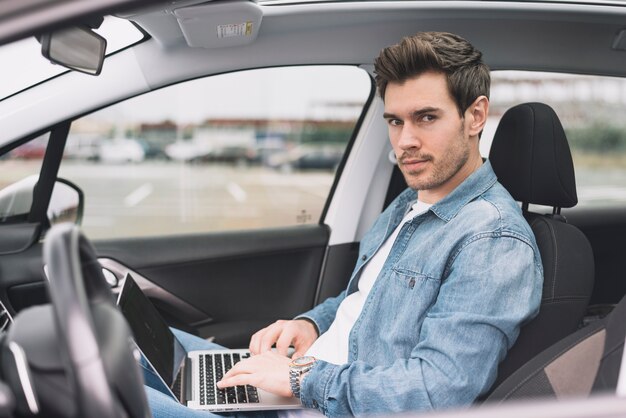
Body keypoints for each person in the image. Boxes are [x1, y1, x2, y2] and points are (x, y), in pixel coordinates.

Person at [145, 31, 543, 418]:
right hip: (300, 391)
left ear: (475, 116)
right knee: (134, 345)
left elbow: (435, 391)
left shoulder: (493, 240)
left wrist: (299, 378)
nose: (404, 141)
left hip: (314, 398)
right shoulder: (410, 202)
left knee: (99, 394)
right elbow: (365, 302)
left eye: (425, 118)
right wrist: (311, 325)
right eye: (395, 121)